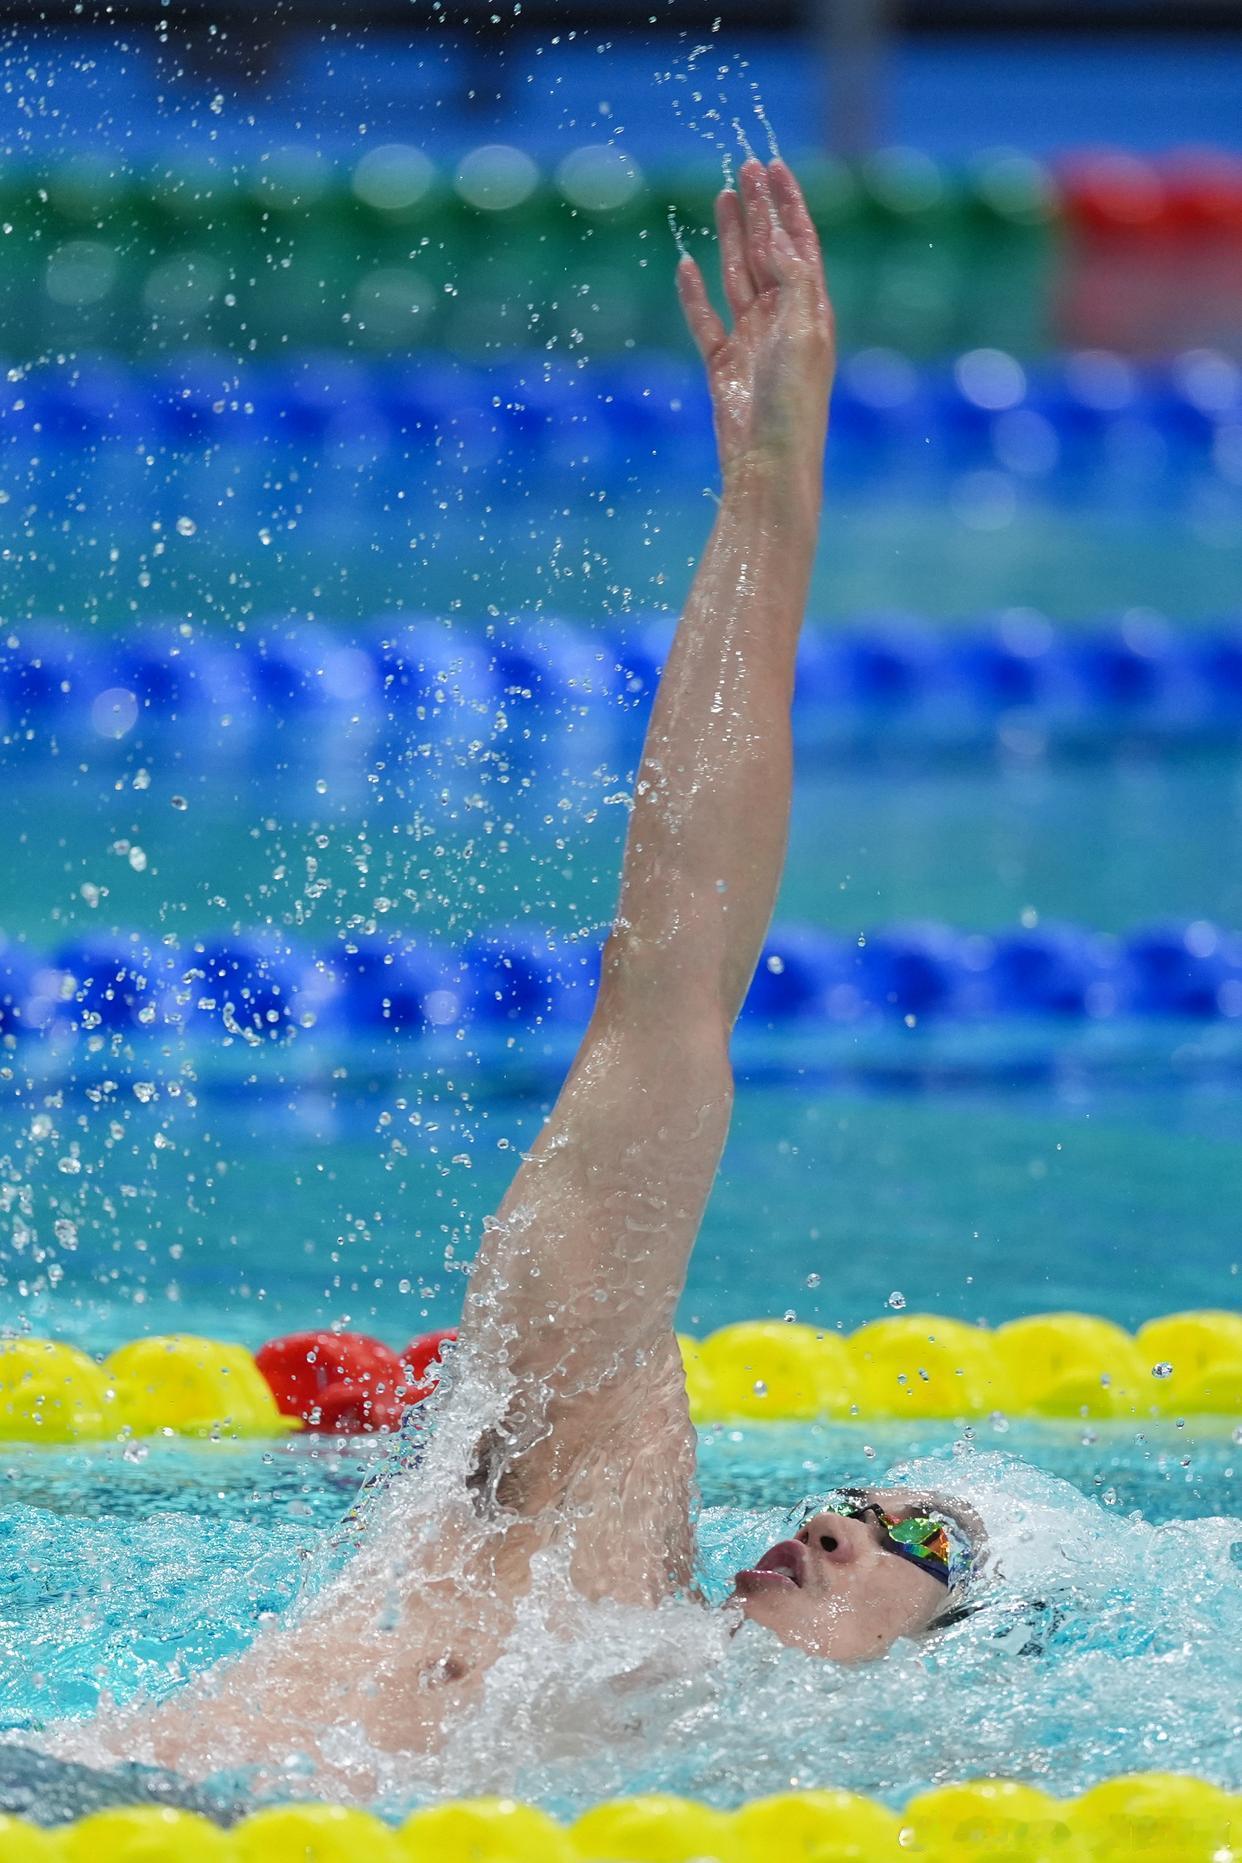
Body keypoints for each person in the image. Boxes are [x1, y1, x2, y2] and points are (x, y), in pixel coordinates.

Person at [50, 157, 978, 1798]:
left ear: (950, 1661)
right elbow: (671, 977)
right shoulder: (587, 1544)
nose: (838, 1516)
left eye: (919, 1537)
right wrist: (770, 487)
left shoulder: (736, 1778)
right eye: (858, 1495)